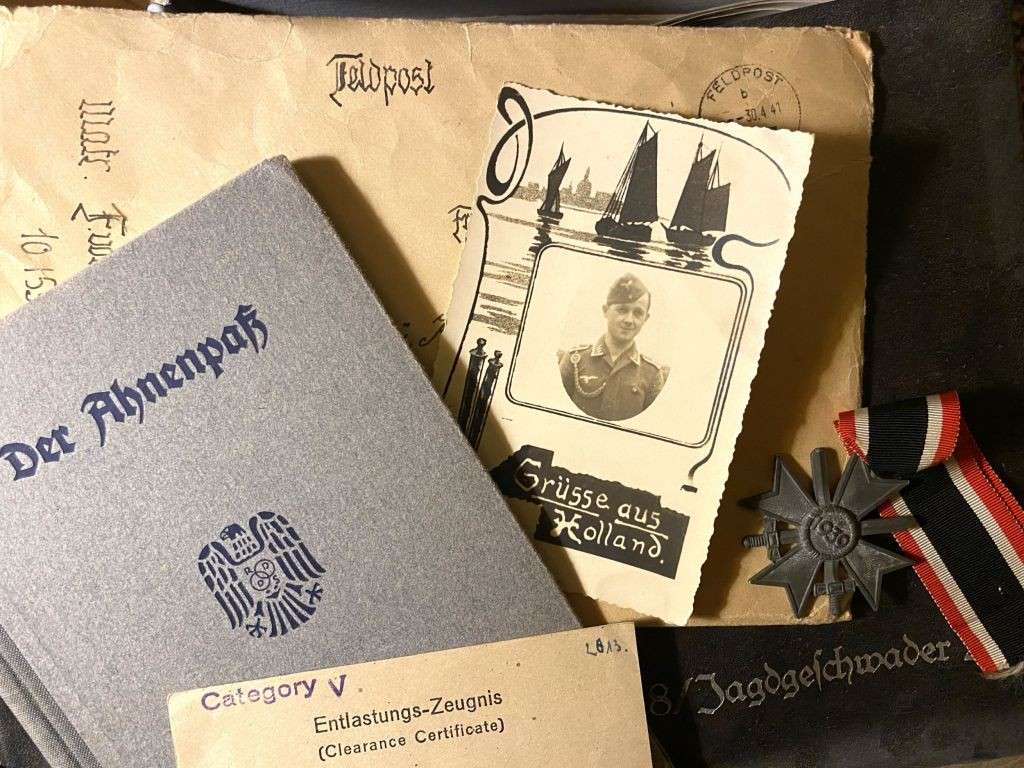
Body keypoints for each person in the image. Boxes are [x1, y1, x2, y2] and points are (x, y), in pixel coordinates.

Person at [558, 273, 668, 421]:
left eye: (638, 313)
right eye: (622, 310)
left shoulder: (652, 374)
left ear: (645, 319)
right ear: (605, 310)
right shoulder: (575, 360)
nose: (629, 320)